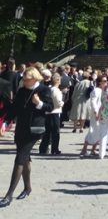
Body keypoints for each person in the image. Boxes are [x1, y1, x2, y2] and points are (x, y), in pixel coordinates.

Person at [0, 66, 53, 207]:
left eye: (27, 79)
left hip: (35, 129)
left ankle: (8, 195)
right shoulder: (22, 90)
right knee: (25, 159)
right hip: (21, 128)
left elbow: (50, 107)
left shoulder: (43, 90)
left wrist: (39, 103)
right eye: (24, 78)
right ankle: (28, 188)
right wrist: (5, 121)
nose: (24, 80)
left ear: (35, 78)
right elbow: (14, 108)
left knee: (19, 159)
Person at [39, 72, 64, 156]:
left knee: (47, 132)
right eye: (59, 80)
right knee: (55, 132)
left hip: (48, 112)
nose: (60, 81)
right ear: (57, 80)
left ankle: (43, 148)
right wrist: (62, 103)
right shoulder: (56, 90)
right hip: (55, 112)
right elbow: (58, 102)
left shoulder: (49, 88)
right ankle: (55, 149)